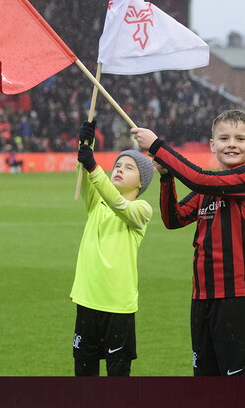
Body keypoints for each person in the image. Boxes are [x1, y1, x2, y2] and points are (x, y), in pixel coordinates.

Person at [130, 109, 245, 376]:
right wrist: (166, 178)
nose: (232, 144)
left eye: (240, 139)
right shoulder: (208, 190)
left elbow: (200, 179)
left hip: (237, 297)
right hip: (202, 297)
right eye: (224, 138)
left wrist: (157, 146)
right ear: (212, 145)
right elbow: (174, 219)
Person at [70, 118, 155, 377]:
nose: (119, 170)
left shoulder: (142, 209)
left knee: (117, 377)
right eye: (117, 165)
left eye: (129, 168)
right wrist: (86, 144)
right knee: (84, 374)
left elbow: (119, 204)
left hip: (117, 305)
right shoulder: (96, 201)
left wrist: (93, 166)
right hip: (87, 299)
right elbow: (86, 176)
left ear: (141, 182)